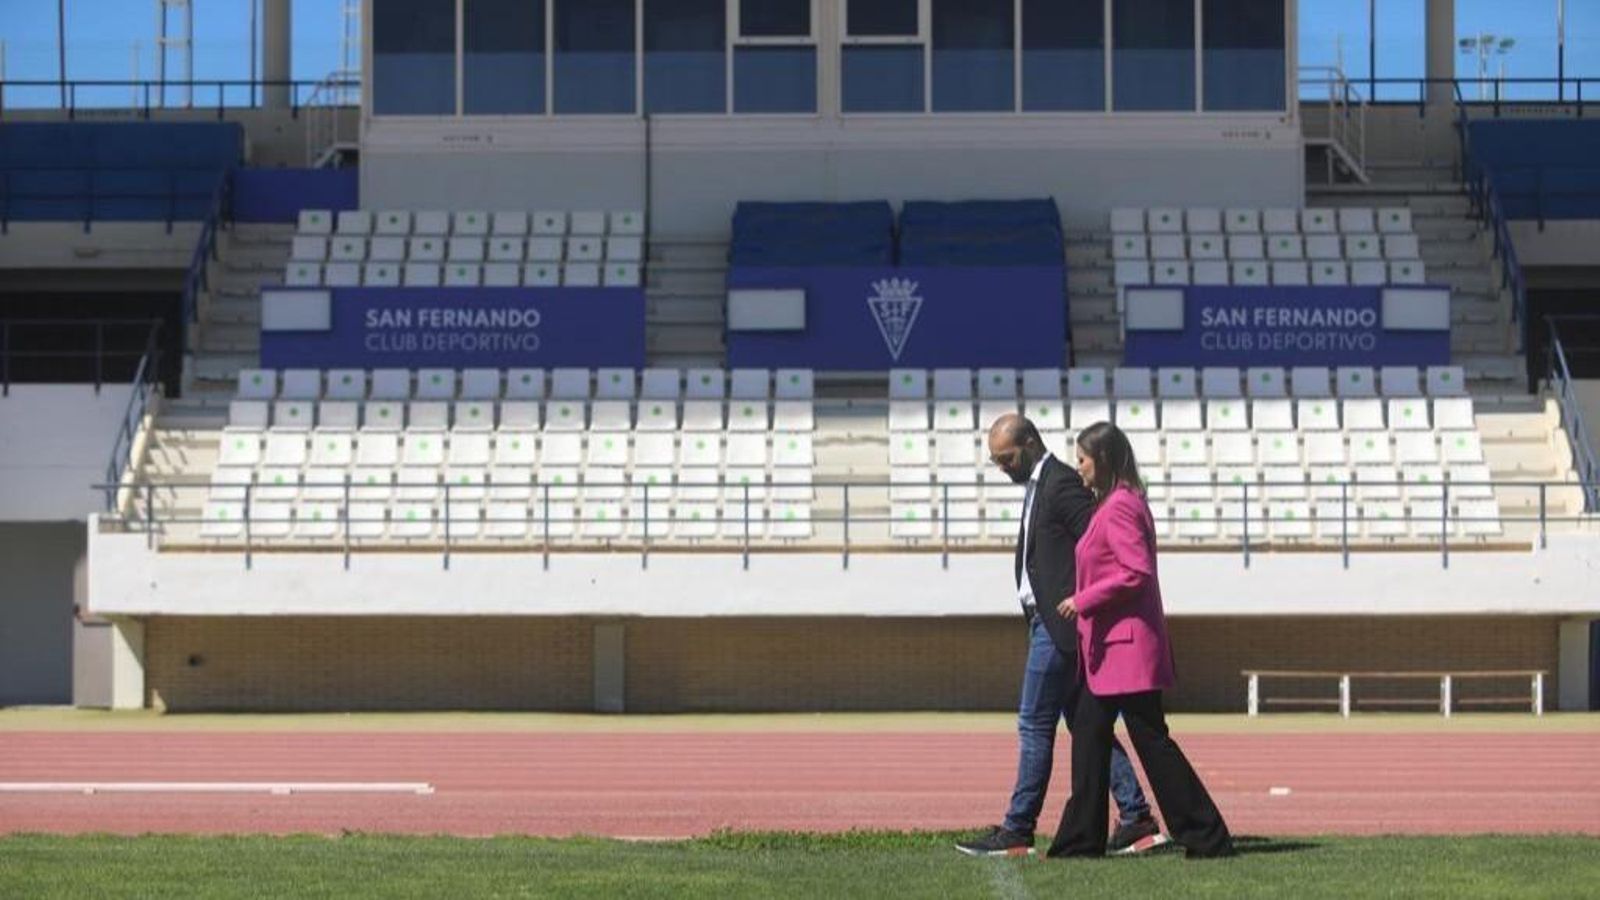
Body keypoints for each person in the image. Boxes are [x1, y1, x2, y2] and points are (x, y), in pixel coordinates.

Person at [956, 414, 1165, 858]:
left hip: (1059, 626)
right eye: (996, 462)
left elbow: (1100, 541)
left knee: (1034, 722)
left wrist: (1081, 601)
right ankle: (1137, 820)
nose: (1003, 468)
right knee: (1087, 727)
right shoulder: (1040, 484)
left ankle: (1017, 830)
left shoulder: (1062, 482)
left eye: (1007, 458)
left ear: (1030, 442)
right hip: (1051, 623)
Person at [1047, 421, 1234, 860]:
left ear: (1105, 460)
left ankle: (1206, 835)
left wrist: (1083, 599)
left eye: (1083, 460)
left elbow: (1136, 572)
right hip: (1113, 652)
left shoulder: (1120, 507)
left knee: (1150, 740)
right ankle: (1081, 840)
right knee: (1091, 733)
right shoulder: (1116, 503)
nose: (1078, 469)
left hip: (1126, 651)